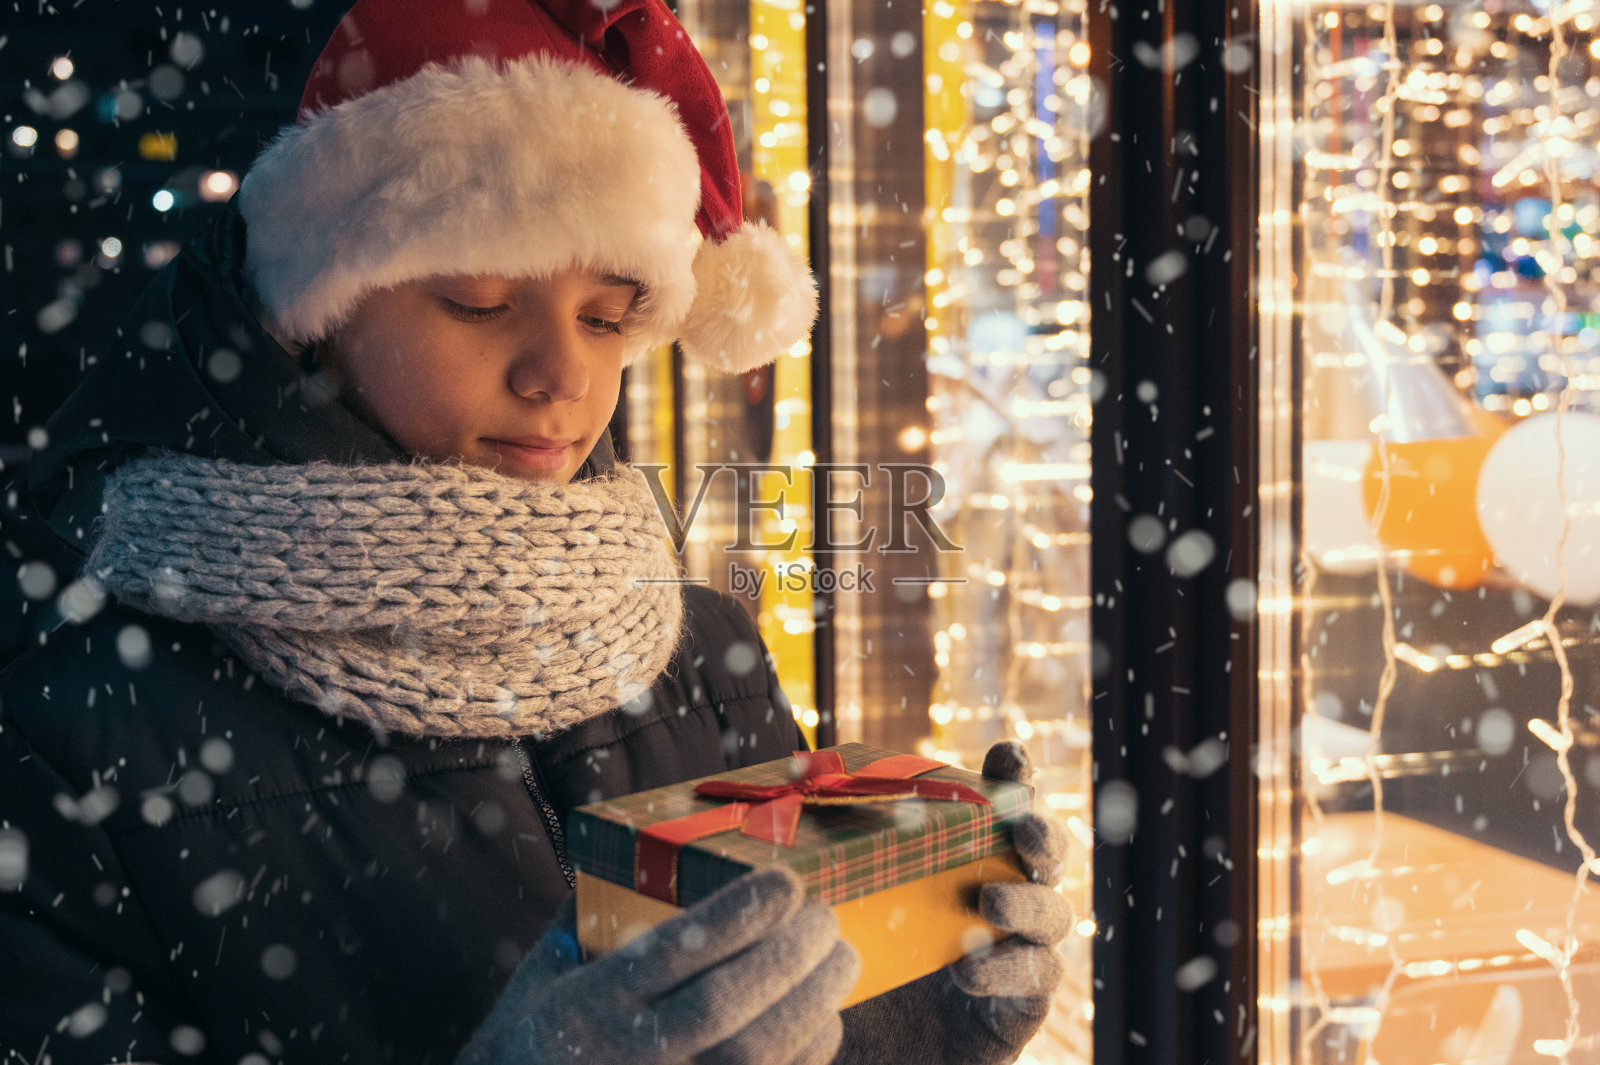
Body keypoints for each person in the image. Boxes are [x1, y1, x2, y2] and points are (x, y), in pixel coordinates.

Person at [0, 1, 1071, 1062]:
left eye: (607, 317)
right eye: (477, 300)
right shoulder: (70, 743)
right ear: (313, 318)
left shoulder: (702, 654)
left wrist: (904, 1032)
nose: (561, 374)